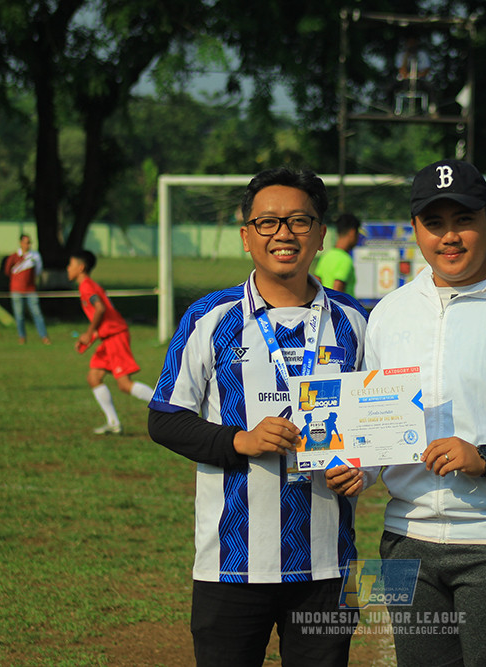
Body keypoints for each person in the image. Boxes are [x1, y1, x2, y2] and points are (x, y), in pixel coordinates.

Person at [326, 159, 486, 667]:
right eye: (434, 223)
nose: (449, 237)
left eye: (463, 220)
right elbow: (378, 425)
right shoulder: (390, 312)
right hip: (407, 540)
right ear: (416, 231)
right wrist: (358, 465)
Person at [147, 167, 369, 666]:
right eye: (267, 223)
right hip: (230, 564)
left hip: (328, 565)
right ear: (246, 235)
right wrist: (239, 441)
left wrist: (364, 469)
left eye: (298, 221)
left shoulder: (355, 321)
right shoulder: (210, 317)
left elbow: (374, 425)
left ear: (320, 233)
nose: (283, 234)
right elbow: (164, 417)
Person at [67, 249, 153, 435]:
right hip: (109, 336)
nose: (68, 268)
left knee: (124, 384)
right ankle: (113, 423)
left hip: (116, 336)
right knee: (94, 378)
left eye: (71, 264)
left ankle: (167, 407)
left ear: (81, 267)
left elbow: (99, 308)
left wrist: (89, 333)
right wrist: (92, 337)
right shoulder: (89, 285)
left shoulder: (86, 286)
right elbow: (105, 315)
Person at [3, 234, 51, 345]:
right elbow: (7, 271)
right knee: (19, 315)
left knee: (37, 313)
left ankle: (44, 336)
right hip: (16, 290)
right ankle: (22, 337)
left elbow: (38, 271)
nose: (27, 245)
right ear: (20, 243)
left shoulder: (34, 256)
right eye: (25, 242)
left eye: (29, 242)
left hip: (30, 289)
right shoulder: (14, 256)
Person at [314, 212, 361, 295]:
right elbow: (337, 289)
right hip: (342, 307)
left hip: (325, 305)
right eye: (358, 234)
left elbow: (316, 283)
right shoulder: (345, 259)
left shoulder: (326, 256)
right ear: (352, 233)